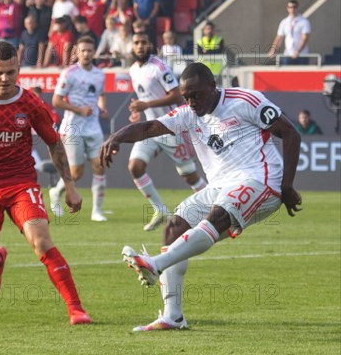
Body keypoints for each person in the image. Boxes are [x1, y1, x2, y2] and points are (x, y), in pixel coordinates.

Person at [100, 62, 302, 331]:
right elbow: (149, 129)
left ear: (212, 86)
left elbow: (290, 133)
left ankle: (154, 264)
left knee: (217, 216)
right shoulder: (188, 114)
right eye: (186, 97)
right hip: (220, 185)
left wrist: (287, 187)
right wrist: (117, 135)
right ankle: (173, 316)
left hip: (262, 181)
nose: (191, 101)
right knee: (174, 226)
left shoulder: (245, 101)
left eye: (196, 95)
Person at [0, 41, 92, 325]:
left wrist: (70, 186)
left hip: (20, 185)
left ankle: (76, 309)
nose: (4, 79)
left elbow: (54, 142)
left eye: (11, 72)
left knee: (41, 240)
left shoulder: (30, 103)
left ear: (18, 70)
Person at [128, 32, 207, 231]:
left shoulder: (160, 68)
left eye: (143, 42)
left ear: (150, 45)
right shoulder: (133, 70)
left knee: (189, 175)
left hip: (172, 128)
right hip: (150, 128)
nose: (139, 46)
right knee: (135, 166)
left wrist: (147, 104)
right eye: (136, 43)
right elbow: (145, 99)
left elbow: (177, 96)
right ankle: (160, 209)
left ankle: (215, 209)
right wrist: (139, 110)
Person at [49, 36, 109, 222]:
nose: (86, 54)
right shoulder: (69, 73)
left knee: (100, 166)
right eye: (83, 50)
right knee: (76, 172)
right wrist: (79, 110)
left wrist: (102, 108)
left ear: (93, 52)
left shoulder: (100, 74)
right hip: (73, 127)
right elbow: (56, 100)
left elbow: (100, 94)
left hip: (93, 127)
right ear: (77, 52)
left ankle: (96, 211)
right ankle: (55, 192)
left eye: (90, 50)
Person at [268, 0, 311, 65]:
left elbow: (305, 38)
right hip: (288, 54)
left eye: (294, 7)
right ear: (287, 8)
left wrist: (298, 51)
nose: (292, 9)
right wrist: (273, 50)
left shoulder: (304, 22)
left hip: (302, 55)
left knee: (301, 75)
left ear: (297, 8)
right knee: (287, 74)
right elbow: (279, 38)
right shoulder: (284, 22)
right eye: (290, 7)